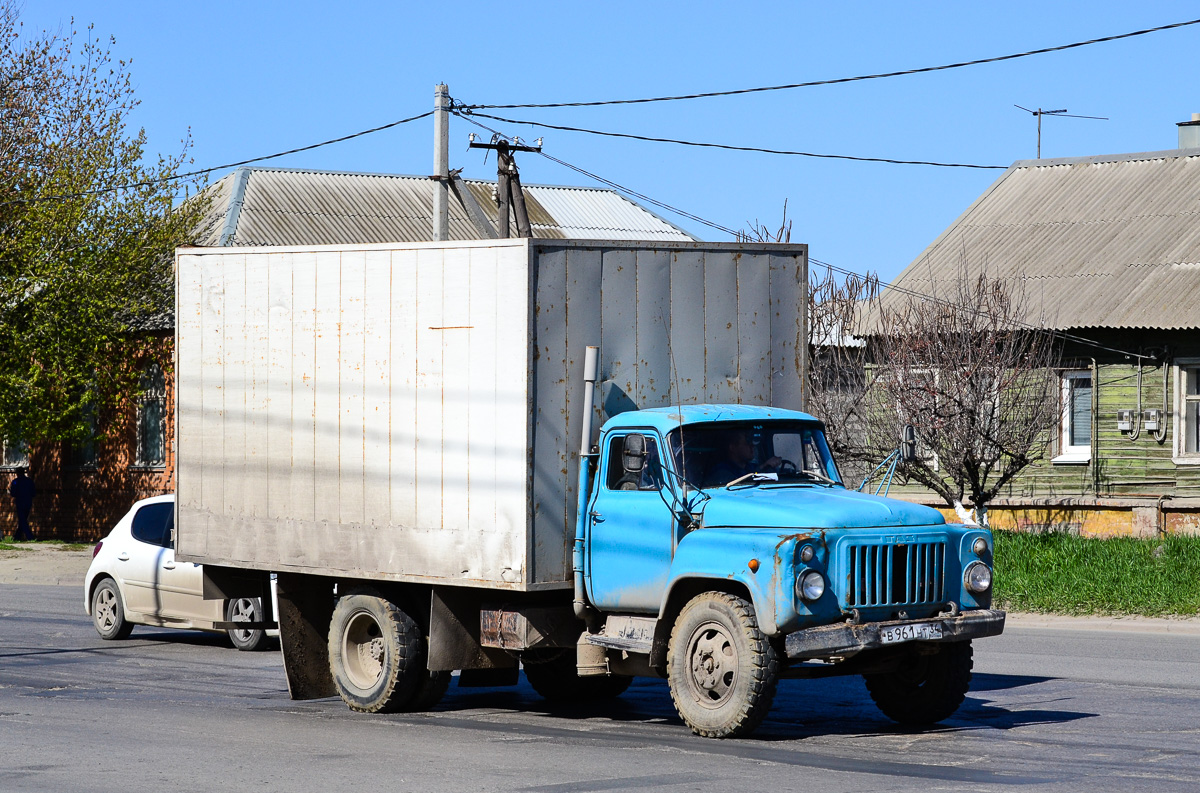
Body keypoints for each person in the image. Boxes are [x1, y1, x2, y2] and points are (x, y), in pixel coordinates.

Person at [707, 431, 780, 486]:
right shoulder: (721, 471)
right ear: (733, 447)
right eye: (747, 443)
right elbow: (739, 484)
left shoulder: (751, 467)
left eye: (752, 443)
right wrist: (763, 467)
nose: (752, 446)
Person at [9, 467, 35, 541]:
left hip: (20, 503)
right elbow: (33, 493)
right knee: (23, 520)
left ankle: (30, 537)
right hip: (28, 502)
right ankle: (17, 537)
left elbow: (13, 493)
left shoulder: (15, 482)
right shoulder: (29, 481)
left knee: (22, 520)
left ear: (17, 473)